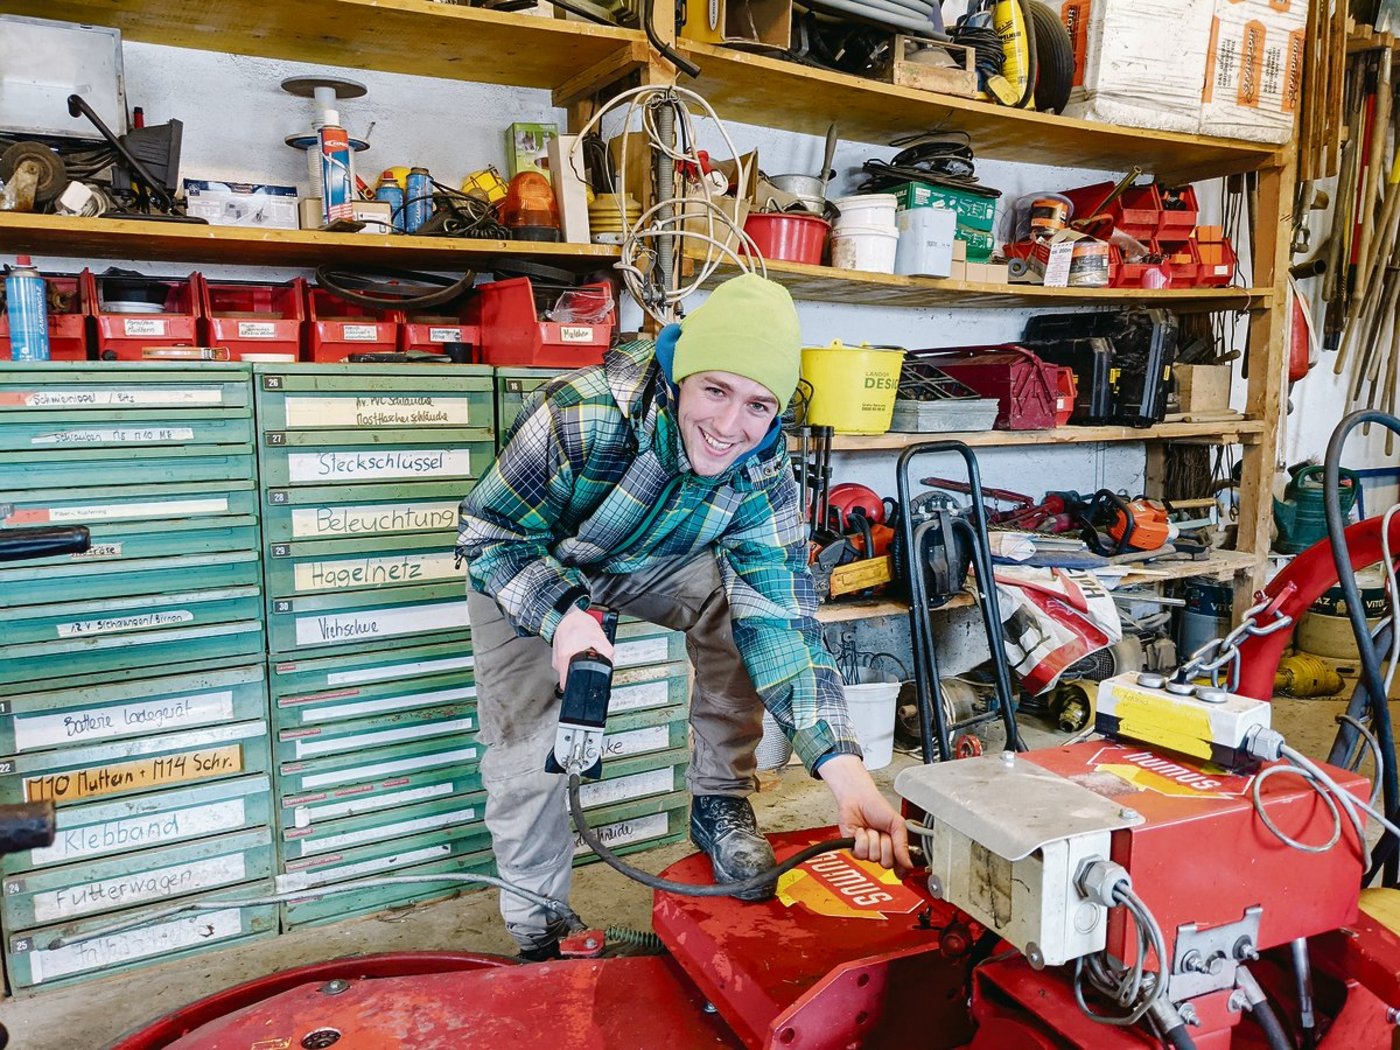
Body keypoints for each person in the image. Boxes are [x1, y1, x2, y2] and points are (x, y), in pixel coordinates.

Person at [456, 273, 911, 959]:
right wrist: (562, 615)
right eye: (715, 391)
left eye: (759, 405)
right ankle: (542, 932)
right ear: (677, 376)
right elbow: (486, 535)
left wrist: (845, 774)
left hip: (652, 560)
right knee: (527, 750)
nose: (731, 427)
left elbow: (782, 619)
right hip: (532, 562)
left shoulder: (762, 472)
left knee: (744, 607)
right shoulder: (576, 414)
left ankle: (718, 799)